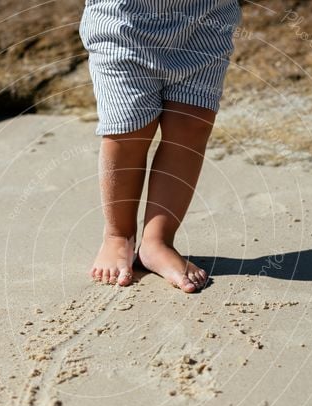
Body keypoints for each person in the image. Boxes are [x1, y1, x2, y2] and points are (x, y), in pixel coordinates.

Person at [80, 0, 242, 292]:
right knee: (127, 128)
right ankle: (118, 235)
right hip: (124, 24)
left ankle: (157, 241)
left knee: (191, 125)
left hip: (206, 21)